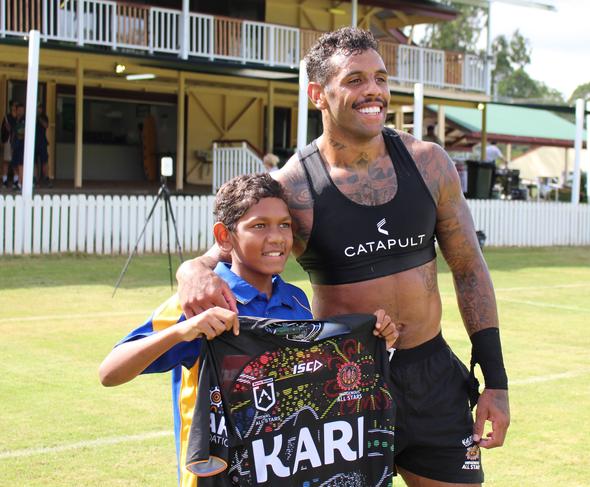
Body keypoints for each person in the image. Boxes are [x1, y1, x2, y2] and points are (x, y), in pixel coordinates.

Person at [176, 27, 509, 486]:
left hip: (430, 373)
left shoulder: (429, 163)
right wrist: (189, 269)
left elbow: (470, 269)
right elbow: (224, 252)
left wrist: (496, 379)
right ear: (318, 94)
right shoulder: (294, 187)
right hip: (342, 384)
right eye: (354, 80)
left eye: (380, 78)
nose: (373, 90)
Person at [99, 173, 397, 486]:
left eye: (284, 224)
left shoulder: (295, 299)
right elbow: (110, 372)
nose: (277, 237)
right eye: (259, 226)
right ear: (224, 237)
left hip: (280, 472)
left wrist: (376, 339)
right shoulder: (200, 302)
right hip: (217, 476)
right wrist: (183, 332)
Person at [1, 100, 17, 189]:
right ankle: (4, 180)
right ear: (11, 107)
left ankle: (16, 180)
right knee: (6, 161)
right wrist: (3, 141)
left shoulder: (19, 117)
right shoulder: (7, 117)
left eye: (16, 106)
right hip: (8, 141)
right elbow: (3, 130)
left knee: (16, 161)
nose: (15, 107)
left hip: (17, 142)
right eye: (14, 106)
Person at [10, 102, 25, 191]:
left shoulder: (24, 119)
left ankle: (20, 183)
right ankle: (17, 181)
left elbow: (21, 132)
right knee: (14, 164)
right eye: (19, 110)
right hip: (15, 143)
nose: (20, 112)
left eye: (22, 110)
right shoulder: (15, 120)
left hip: (22, 144)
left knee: (20, 164)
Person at [35, 103, 51, 187]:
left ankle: (46, 178)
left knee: (44, 161)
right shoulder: (31, 115)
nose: (38, 109)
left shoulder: (44, 117)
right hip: (34, 142)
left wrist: (39, 118)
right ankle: (35, 179)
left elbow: (46, 125)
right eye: (37, 108)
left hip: (42, 142)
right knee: (34, 162)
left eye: (40, 108)